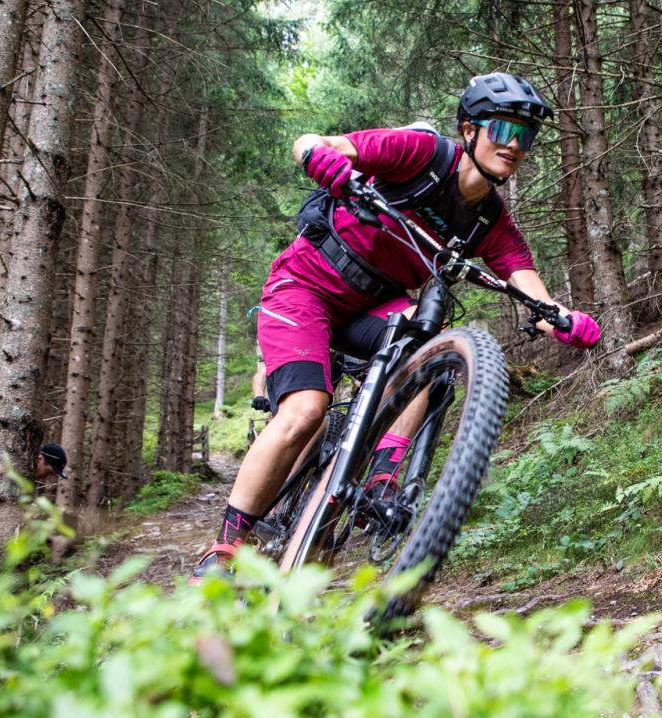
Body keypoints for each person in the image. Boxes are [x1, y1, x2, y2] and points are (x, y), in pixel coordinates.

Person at [192, 72, 601, 581]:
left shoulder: (489, 222)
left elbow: (525, 280)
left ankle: (383, 475)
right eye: (503, 129)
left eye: (526, 136)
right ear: (469, 129)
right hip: (305, 289)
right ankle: (226, 545)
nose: (515, 145)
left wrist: (560, 318)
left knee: (425, 341)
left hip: (374, 306)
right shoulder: (423, 154)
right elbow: (312, 144)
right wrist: (322, 159)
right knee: (304, 412)